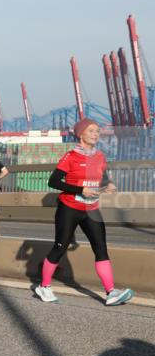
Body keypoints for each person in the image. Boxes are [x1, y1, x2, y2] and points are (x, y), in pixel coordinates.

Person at [35, 118, 133, 306]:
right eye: (91, 131)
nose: (96, 134)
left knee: (101, 248)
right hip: (69, 208)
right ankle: (44, 286)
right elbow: (53, 182)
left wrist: (108, 184)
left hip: (91, 209)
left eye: (97, 131)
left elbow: (103, 179)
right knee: (60, 247)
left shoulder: (100, 157)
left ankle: (111, 292)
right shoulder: (70, 156)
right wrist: (80, 190)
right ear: (81, 134)